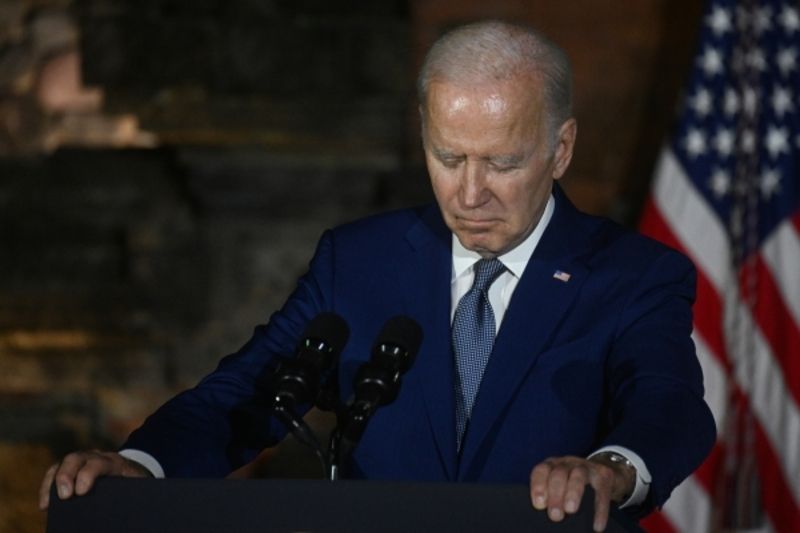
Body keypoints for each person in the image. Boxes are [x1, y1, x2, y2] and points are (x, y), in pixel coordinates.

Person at [39, 20, 716, 531]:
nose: (469, 193)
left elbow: (669, 404)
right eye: (448, 157)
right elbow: (249, 389)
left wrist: (611, 467)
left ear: (560, 149)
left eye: (501, 163)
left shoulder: (633, 276)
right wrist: (142, 463)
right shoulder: (358, 261)